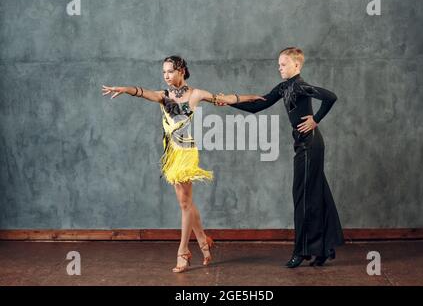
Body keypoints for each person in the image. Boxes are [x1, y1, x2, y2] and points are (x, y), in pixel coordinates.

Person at [102, 56, 265, 273]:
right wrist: (124, 89)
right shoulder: (163, 96)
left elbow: (226, 98)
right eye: (163, 73)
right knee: (186, 203)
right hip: (172, 154)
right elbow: (141, 92)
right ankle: (204, 243)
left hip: (187, 153)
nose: (166, 76)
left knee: (185, 204)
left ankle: (183, 251)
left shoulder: (196, 94)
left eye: (170, 71)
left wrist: (250, 98)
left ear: (181, 71)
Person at [225, 47, 345, 267]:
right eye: (279, 64)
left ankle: (302, 251)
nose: (279, 67)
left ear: (296, 65)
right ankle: (324, 249)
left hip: (310, 144)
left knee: (303, 196)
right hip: (304, 144)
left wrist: (315, 119)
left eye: (283, 64)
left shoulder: (299, 85)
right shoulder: (284, 87)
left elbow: (330, 97)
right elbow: (258, 105)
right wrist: (228, 101)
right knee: (317, 194)